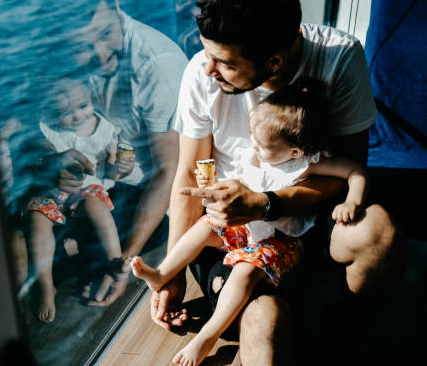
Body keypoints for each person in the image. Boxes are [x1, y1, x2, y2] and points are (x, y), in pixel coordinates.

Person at [152, 0, 402, 365]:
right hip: (238, 239)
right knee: (266, 326)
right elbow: (189, 174)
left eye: (225, 63)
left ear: (274, 61)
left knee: (379, 233)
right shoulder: (201, 74)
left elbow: (350, 169)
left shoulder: (339, 57)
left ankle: (352, 335)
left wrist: (266, 203)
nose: (208, 69)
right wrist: (173, 273)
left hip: (309, 220)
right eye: (207, 53)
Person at [132, 79, 369, 365]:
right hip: (248, 229)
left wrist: (352, 201)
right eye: (252, 138)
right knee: (206, 226)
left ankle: (207, 336)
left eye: (263, 145)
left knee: (244, 270)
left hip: (282, 241)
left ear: (295, 151)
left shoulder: (306, 163)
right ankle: (164, 273)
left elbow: (356, 170)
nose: (254, 149)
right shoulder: (258, 151)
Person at [35, 0, 188, 306]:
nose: (100, 54)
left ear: (117, 6)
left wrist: (124, 264)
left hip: (143, 194)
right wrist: (53, 159)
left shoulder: (157, 67)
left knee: (77, 269)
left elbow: (167, 171)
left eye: (106, 34)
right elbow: (37, 122)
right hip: (95, 179)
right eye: (82, 46)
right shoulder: (61, 59)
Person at [24, 76, 130, 322]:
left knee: (95, 204)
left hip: (89, 190)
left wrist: (121, 164)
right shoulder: (47, 129)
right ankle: (46, 285)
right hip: (54, 194)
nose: (77, 116)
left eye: (83, 106)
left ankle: (114, 261)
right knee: (37, 218)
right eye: (65, 112)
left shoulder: (106, 129)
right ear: (49, 112)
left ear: (91, 99)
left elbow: (118, 160)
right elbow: (39, 154)